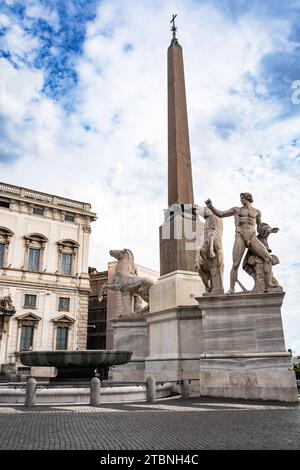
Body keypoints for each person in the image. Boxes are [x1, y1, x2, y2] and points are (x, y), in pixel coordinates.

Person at [205, 193, 275, 294]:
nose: (241, 200)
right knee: (235, 264)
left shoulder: (257, 212)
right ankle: (232, 288)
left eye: (243, 198)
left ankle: (269, 284)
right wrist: (211, 206)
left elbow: (259, 227)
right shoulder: (236, 210)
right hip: (240, 236)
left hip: (252, 236)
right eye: (241, 198)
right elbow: (221, 214)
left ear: (249, 199)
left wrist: (267, 229)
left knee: (268, 258)